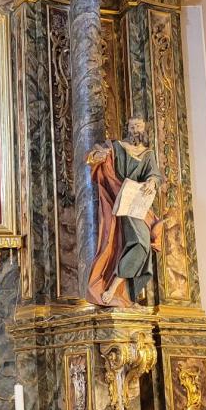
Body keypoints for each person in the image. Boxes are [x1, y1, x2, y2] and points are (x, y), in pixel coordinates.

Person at [86, 117, 163, 307]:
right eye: (132, 126)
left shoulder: (147, 154)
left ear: (145, 129)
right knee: (128, 243)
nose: (136, 129)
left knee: (142, 245)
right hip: (116, 198)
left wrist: (152, 181)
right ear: (127, 129)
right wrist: (99, 156)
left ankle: (120, 291)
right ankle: (112, 289)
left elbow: (154, 174)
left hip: (136, 203)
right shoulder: (117, 147)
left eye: (139, 126)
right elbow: (94, 156)